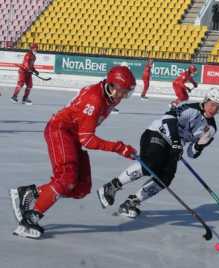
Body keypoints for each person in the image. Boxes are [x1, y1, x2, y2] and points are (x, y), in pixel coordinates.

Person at [9, 66, 137, 239]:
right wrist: (119, 147)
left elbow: (83, 134)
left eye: (126, 92)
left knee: (81, 188)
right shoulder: (95, 99)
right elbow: (88, 140)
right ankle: (29, 220)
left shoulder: (111, 97)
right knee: (67, 177)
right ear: (112, 85)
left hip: (73, 135)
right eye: (122, 91)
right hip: (60, 130)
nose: (123, 96)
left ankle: (32, 193)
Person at [97, 88, 219, 218]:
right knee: (152, 163)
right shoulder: (191, 109)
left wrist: (199, 146)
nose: (214, 109)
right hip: (157, 133)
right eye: (212, 105)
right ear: (206, 100)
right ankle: (112, 186)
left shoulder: (211, 129)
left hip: (173, 148)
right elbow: (168, 118)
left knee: (166, 177)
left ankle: (131, 202)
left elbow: (191, 154)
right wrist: (176, 142)